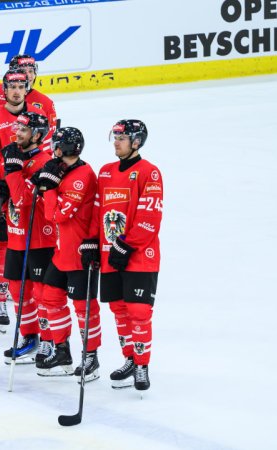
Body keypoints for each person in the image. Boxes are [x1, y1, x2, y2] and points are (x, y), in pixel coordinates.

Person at [0, 55, 57, 293]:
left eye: (21, 85)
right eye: (13, 86)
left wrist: (43, 178)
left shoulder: (42, 108)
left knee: (29, 232)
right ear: (5, 88)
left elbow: (46, 153)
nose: (17, 90)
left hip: (26, 185)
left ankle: (22, 281)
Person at [84, 119, 162, 392]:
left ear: (137, 141)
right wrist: (92, 242)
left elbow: (150, 216)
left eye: (122, 137)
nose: (116, 142)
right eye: (114, 136)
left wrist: (126, 244)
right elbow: (97, 211)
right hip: (109, 255)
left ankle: (142, 365)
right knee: (118, 310)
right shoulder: (105, 172)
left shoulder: (148, 172)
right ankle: (129, 359)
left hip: (139, 255)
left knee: (138, 311)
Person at [31, 127, 102, 378]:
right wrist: (41, 185)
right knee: (50, 296)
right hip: (62, 251)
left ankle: (91, 357)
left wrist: (48, 189)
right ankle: (62, 350)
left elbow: (57, 215)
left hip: (79, 251)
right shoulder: (65, 170)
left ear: (66, 149)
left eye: (57, 146)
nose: (53, 149)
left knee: (84, 307)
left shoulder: (81, 175)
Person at [0, 109, 56, 364]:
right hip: (16, 238)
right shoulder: (14, 158)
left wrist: (13, 172)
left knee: (41, 294)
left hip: (38, 240)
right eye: (16, 128)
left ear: (37, 135)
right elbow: (8, 205)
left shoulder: (45, 163)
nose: (17, 134)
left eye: (23, 130)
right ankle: (30, 337)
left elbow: (24, 200)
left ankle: (49, 340)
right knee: (17, 291)